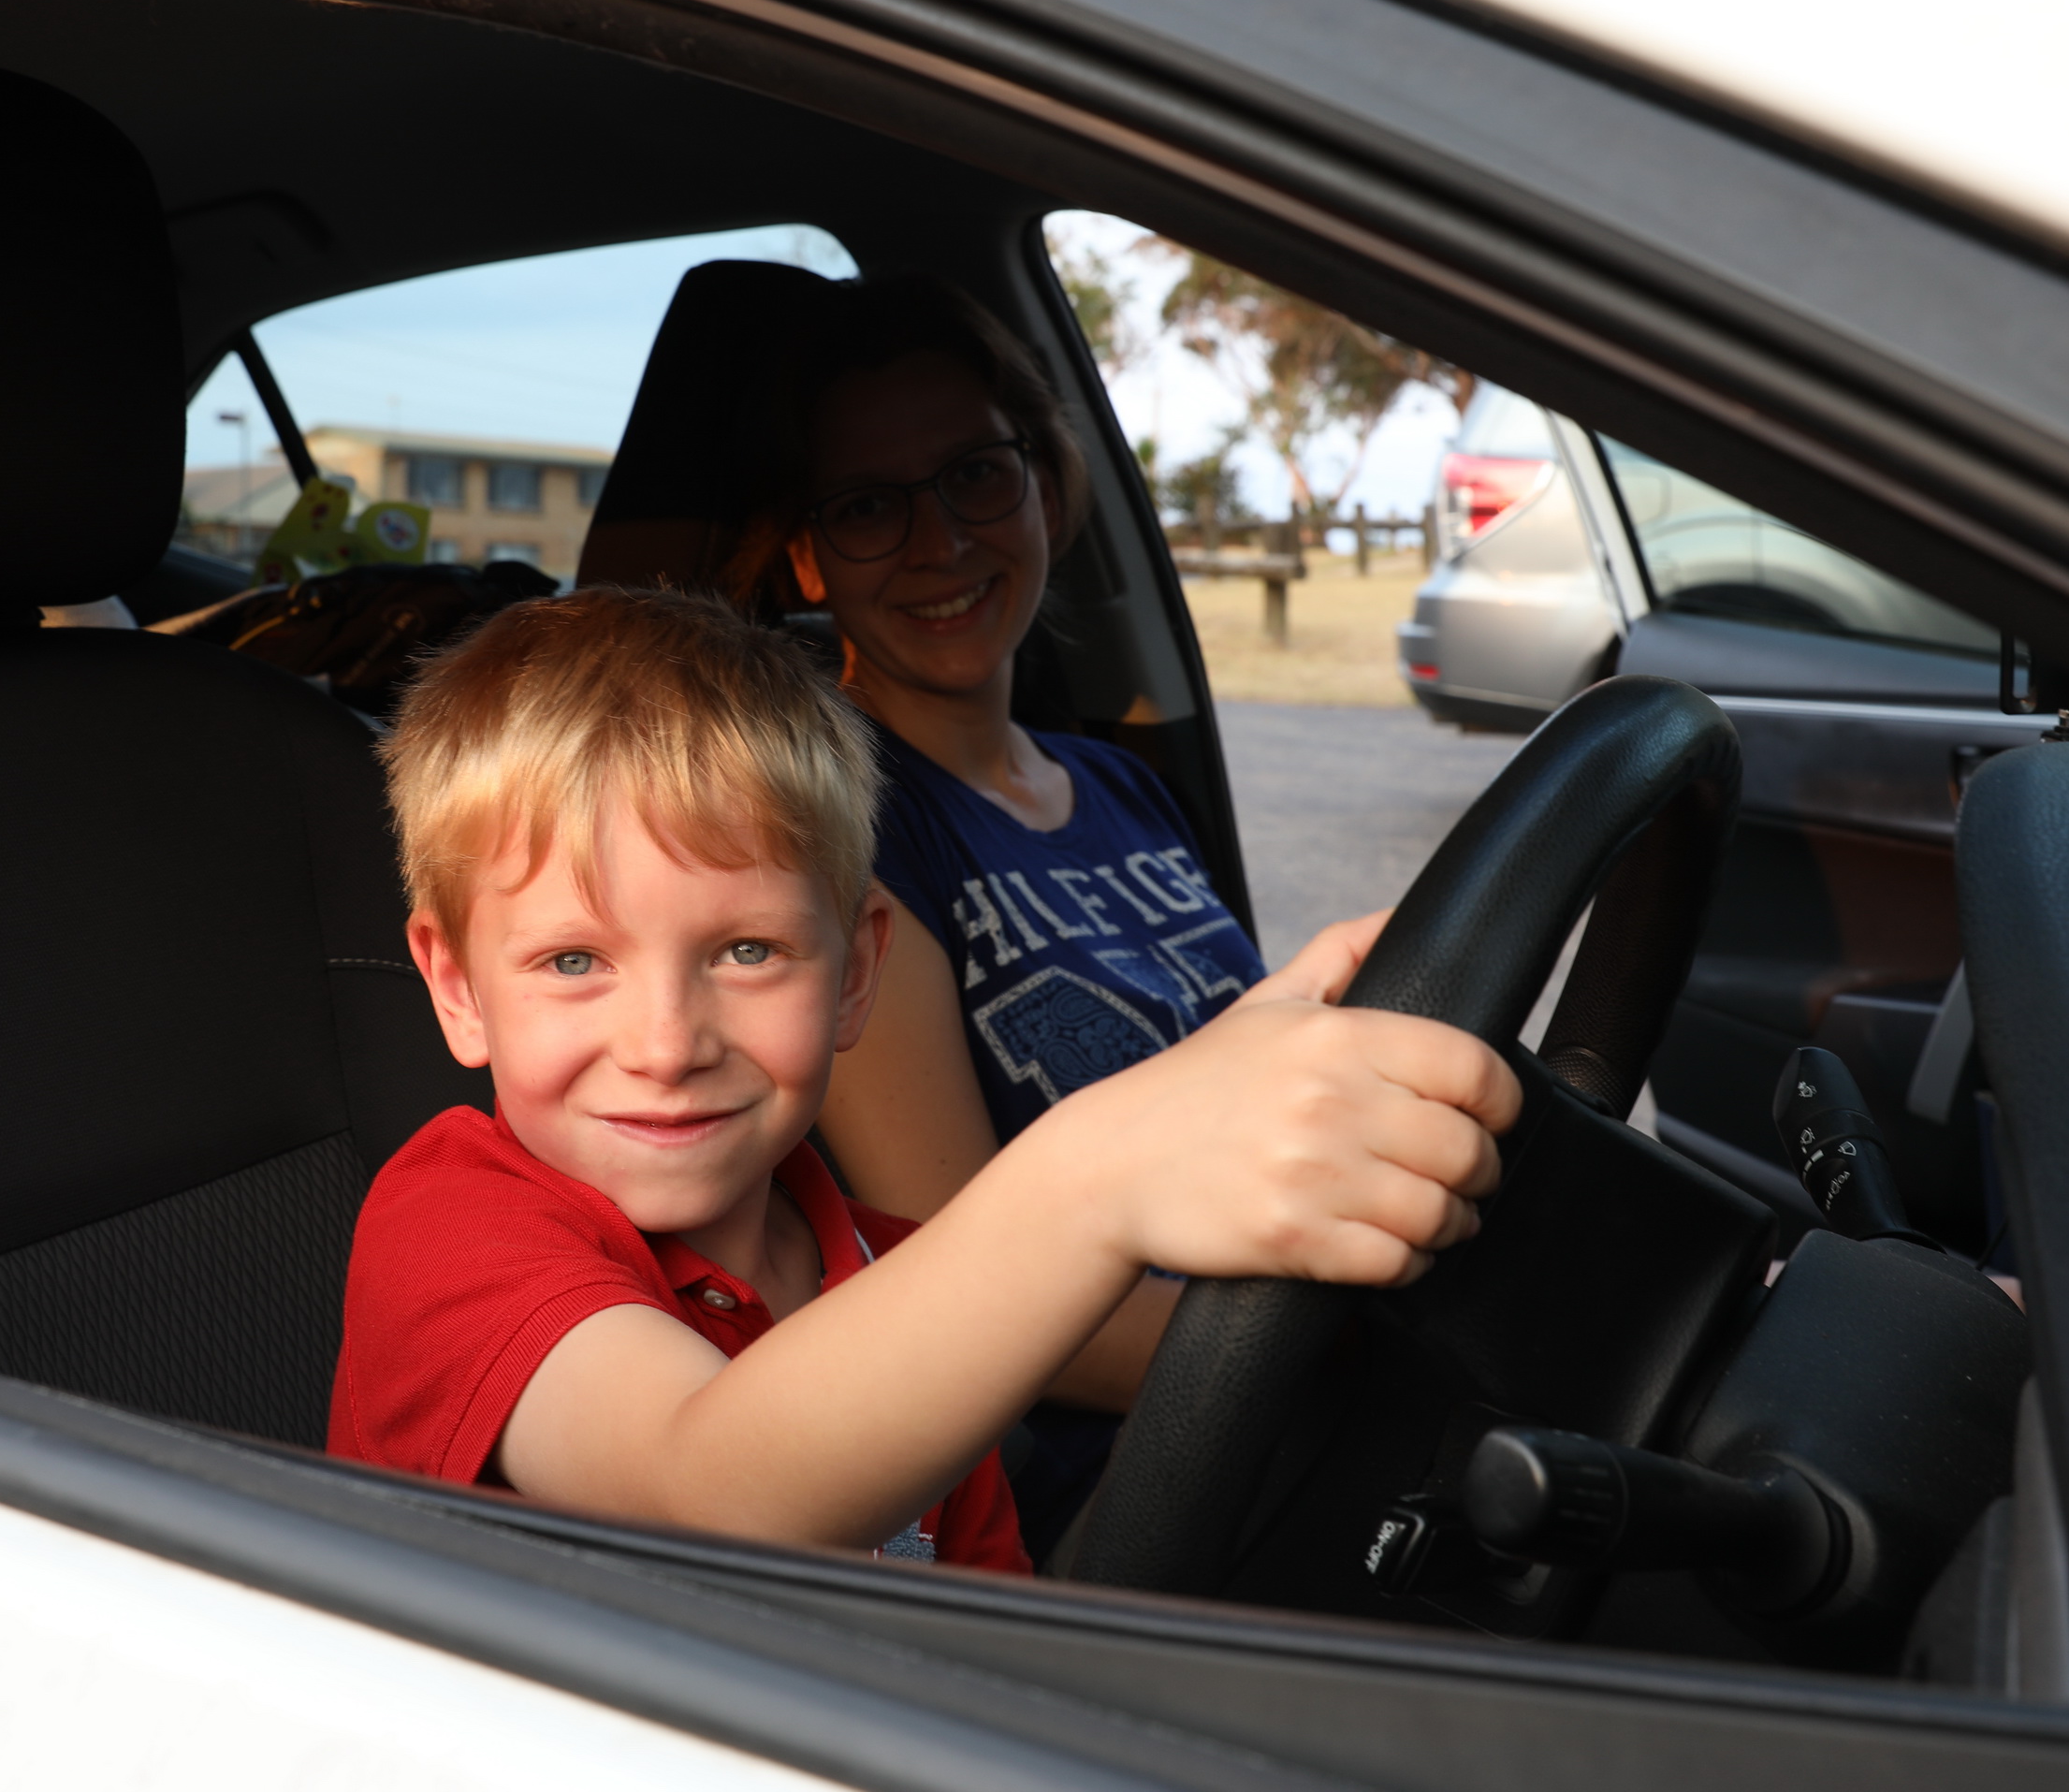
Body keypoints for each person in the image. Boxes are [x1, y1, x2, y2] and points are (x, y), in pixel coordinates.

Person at [328, 589, 1515, 1570]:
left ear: (857, 976)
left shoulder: (880, 1268)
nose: (665, 1040)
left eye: (748, 951)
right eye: (573, 960)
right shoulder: (454, 1227)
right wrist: (1104, 1169)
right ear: (459, 988)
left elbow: (986, 1611)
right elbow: (703, 1489)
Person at [730, 275, 1391, 1546]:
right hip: (1160, 1486)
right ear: (807, 554)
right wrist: (1361, 1350)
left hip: (1308, 1381)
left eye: (977, 474)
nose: (942, 543)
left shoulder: (1123, 785)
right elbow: (964, 1287)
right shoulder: (844, 839)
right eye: (871, 508)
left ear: (1042, 480)